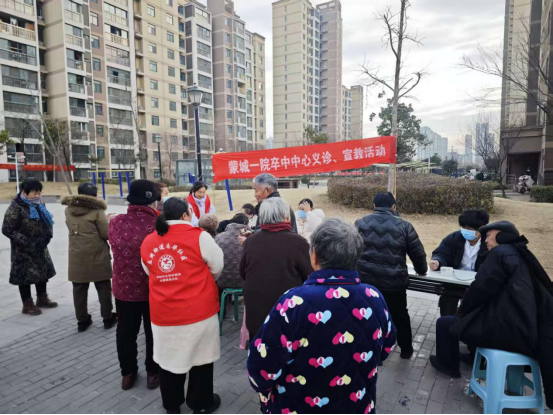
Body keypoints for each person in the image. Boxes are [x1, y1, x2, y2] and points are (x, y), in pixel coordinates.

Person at [247, 219, 397, 414]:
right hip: (357, 405)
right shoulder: (374, 297)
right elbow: (386, 347)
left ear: (314, 255)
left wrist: (265, 391)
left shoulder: (293, 302)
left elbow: (261, 366)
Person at [430, 221, 553, 410]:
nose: (486, 240)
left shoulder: (500, 253)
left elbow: (480, 289)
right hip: (523, 328)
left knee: (446, 323)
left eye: (489, 235)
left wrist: (462, 310)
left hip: (507, 331)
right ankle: (472, 357)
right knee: (468, 320)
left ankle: (448, 366)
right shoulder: (520, 254)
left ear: (502, 235)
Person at [141, 198, 224, 415]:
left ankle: (172, 405)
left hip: (164, 313)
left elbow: (150, 271)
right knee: (201, 361)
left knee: (169, 361)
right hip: (199, 311)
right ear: (185, 215)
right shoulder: (200, 237)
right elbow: (217, 266)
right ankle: (200, 402)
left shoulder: (149, 240)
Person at [355, 192, 427, 359]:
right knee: (400, 315)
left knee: (368, 314)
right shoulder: (404, 226)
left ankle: (370, 348)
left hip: (366, 282)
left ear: (374, 206)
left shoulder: (360, 223)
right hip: (394, 283)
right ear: (394, 207)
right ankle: (406, 350)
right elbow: (417, 254)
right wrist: (422, 269)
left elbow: (352, 249)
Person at [109, 180, 161, 391]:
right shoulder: (160, 223)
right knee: (153, 332)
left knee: (125, 332)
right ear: (153, 201)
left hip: (124, 288)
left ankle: (128, 373)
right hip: (154, 289)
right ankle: (153, 372)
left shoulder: (116, 222)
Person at [240, 198, 313, 339]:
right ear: (286, 216)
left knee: (259, 347)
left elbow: (243, 272)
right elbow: (310, 276)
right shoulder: (298, 242)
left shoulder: (251, 241)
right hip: (287, 313)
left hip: (257, 313)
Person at [63, 182, 117, 332]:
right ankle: (107, 318)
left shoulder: (68, 209)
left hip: (76, 254)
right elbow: (105, 234)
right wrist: (108, 221)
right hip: (97, 253)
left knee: (79, 288)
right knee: (103, 285)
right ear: (94, 195)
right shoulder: (97, 210)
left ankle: (82, 321)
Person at [2, 178, 57, 316]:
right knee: (24, 276)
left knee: (42, 272)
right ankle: (27, 304)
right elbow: (7, 229)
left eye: (39, 193)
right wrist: (25, 241)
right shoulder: (16, 208)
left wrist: (48, 235)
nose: (37, 196)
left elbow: (48, 221)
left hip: (40, 246)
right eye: (34, 193)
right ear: (25, 193)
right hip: (23, 249)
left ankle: (42, 298)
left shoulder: (40, 205)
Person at [430, 209, 490, 316]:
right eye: (462, 227)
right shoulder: (454, 238)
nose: (464, 231)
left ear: (481, 229)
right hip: (455, 280)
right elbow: (441, 253)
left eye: (468, 229)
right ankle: (447, 322)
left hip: (477, 283)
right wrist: (437, 261)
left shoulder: (489, 242)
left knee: (474, 307)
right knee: (447, 300)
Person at [215, 213, 250, 315]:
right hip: (246, 281)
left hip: (223, 281)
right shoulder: (251, 237)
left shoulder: (219, 237)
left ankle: (221, 313)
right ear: (245, 223)